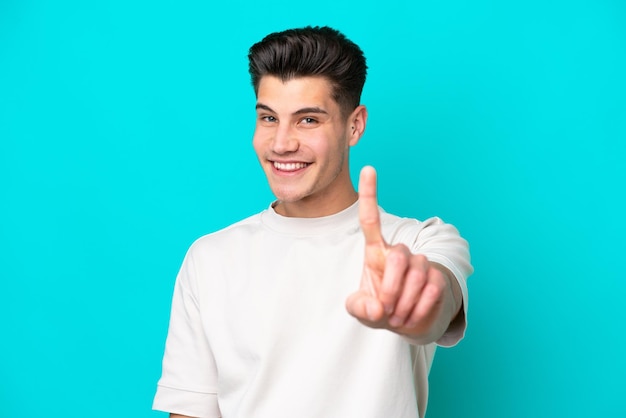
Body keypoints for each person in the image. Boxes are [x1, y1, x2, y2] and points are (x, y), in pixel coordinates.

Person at [153, 26, 473, 418]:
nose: (281, 143)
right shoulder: (209, 258)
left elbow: (435, 303)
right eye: (269, 117)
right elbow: (191, 410)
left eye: (308, 120)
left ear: (354, 125)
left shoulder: (421, 242)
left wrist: (411, 307)